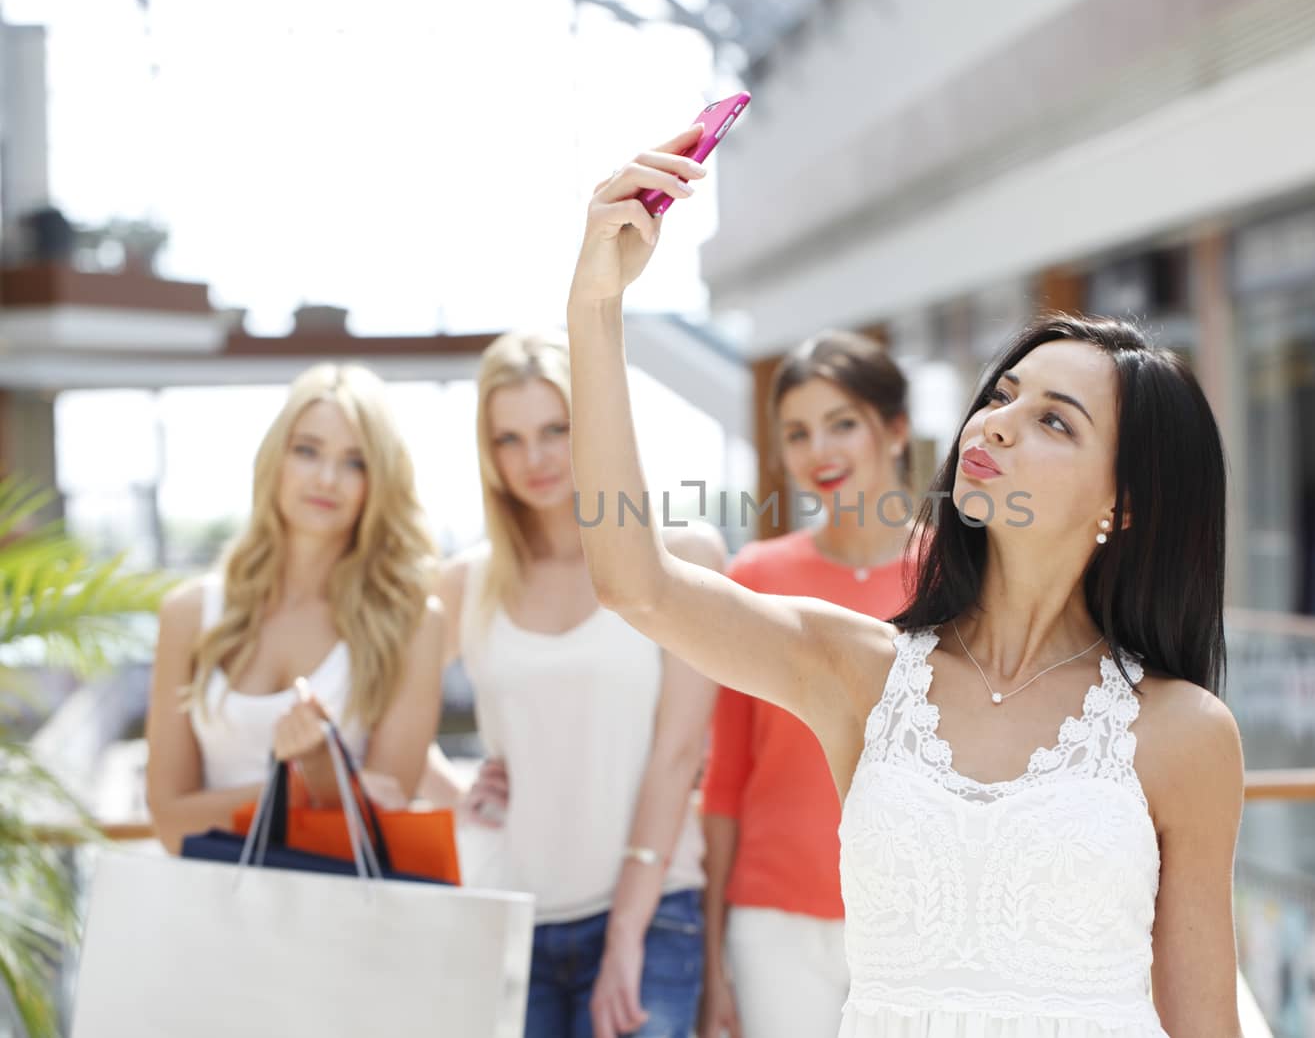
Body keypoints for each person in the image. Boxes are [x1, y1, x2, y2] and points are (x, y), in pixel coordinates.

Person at [562, 129, 1246, 1038]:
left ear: (1123, 503)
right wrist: (595, 311)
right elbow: (635, 584)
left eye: (1054, 420)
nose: (997, 424)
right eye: (1001, 396)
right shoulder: (860, 671)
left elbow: (1206, 1026)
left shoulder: (1185, 734)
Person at [428, 331, 724, 1038]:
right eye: (510, 438)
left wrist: (626, 932)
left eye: (556, 428)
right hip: (510, 918)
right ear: (488, 451)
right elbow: (378, 718)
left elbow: (679, 755)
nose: (535, 458)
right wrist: (456, 791)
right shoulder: (466, 581)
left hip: (654, 910)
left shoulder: (681, 555)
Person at [700, 331, 915, 1038]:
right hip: (774, 925)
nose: (819, 449)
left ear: (896, 429)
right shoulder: (756, 578)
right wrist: (711, 959)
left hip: (920, 915)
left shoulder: (963, 575)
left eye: (842, 423)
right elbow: (726, 776)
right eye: (796, 432)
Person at [146, 363, 444, 854]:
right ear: (275, 461)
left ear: (380, 480)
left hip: (339, 921)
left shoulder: (412, 624)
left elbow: (381, 825)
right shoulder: (188, 614)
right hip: (210, 918)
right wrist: (307, 788)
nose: (327, 478)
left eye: (355, 462)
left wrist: (325, 769)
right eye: (307, 451)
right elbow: (170, 822)